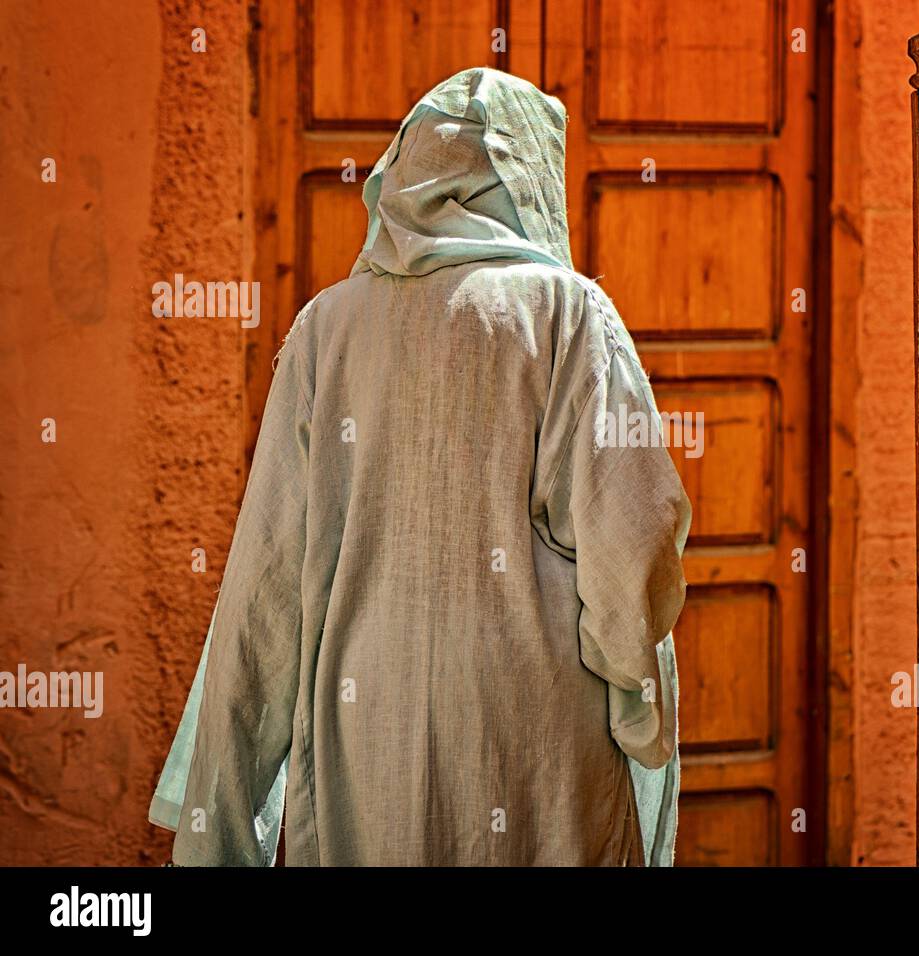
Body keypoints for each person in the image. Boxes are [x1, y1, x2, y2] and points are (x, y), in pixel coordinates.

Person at [148, 67, 690, 866]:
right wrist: (637, 713)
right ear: (533, 179)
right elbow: (631, 541)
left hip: (363, 732)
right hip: (531, 738)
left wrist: (223, 822)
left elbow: (266, 581)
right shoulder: (567, 315)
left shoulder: (326, 329)